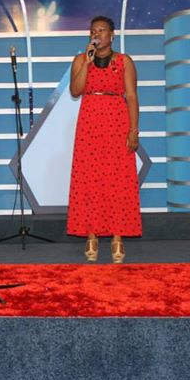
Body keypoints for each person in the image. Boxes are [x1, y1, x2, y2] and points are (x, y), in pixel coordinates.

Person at [67, 16, 142, 263]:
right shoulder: (81, 60)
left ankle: (117, 237)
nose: (96, 34)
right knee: (90, 180)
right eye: (93, 31)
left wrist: (133, 131)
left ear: (112, 35)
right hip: (89, 125)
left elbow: (132, 96)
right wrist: (87, 63)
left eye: (101, 30)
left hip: (117, 123)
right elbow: (75, 91)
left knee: (118, 180)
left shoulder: (124, 61)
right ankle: (92, 236)